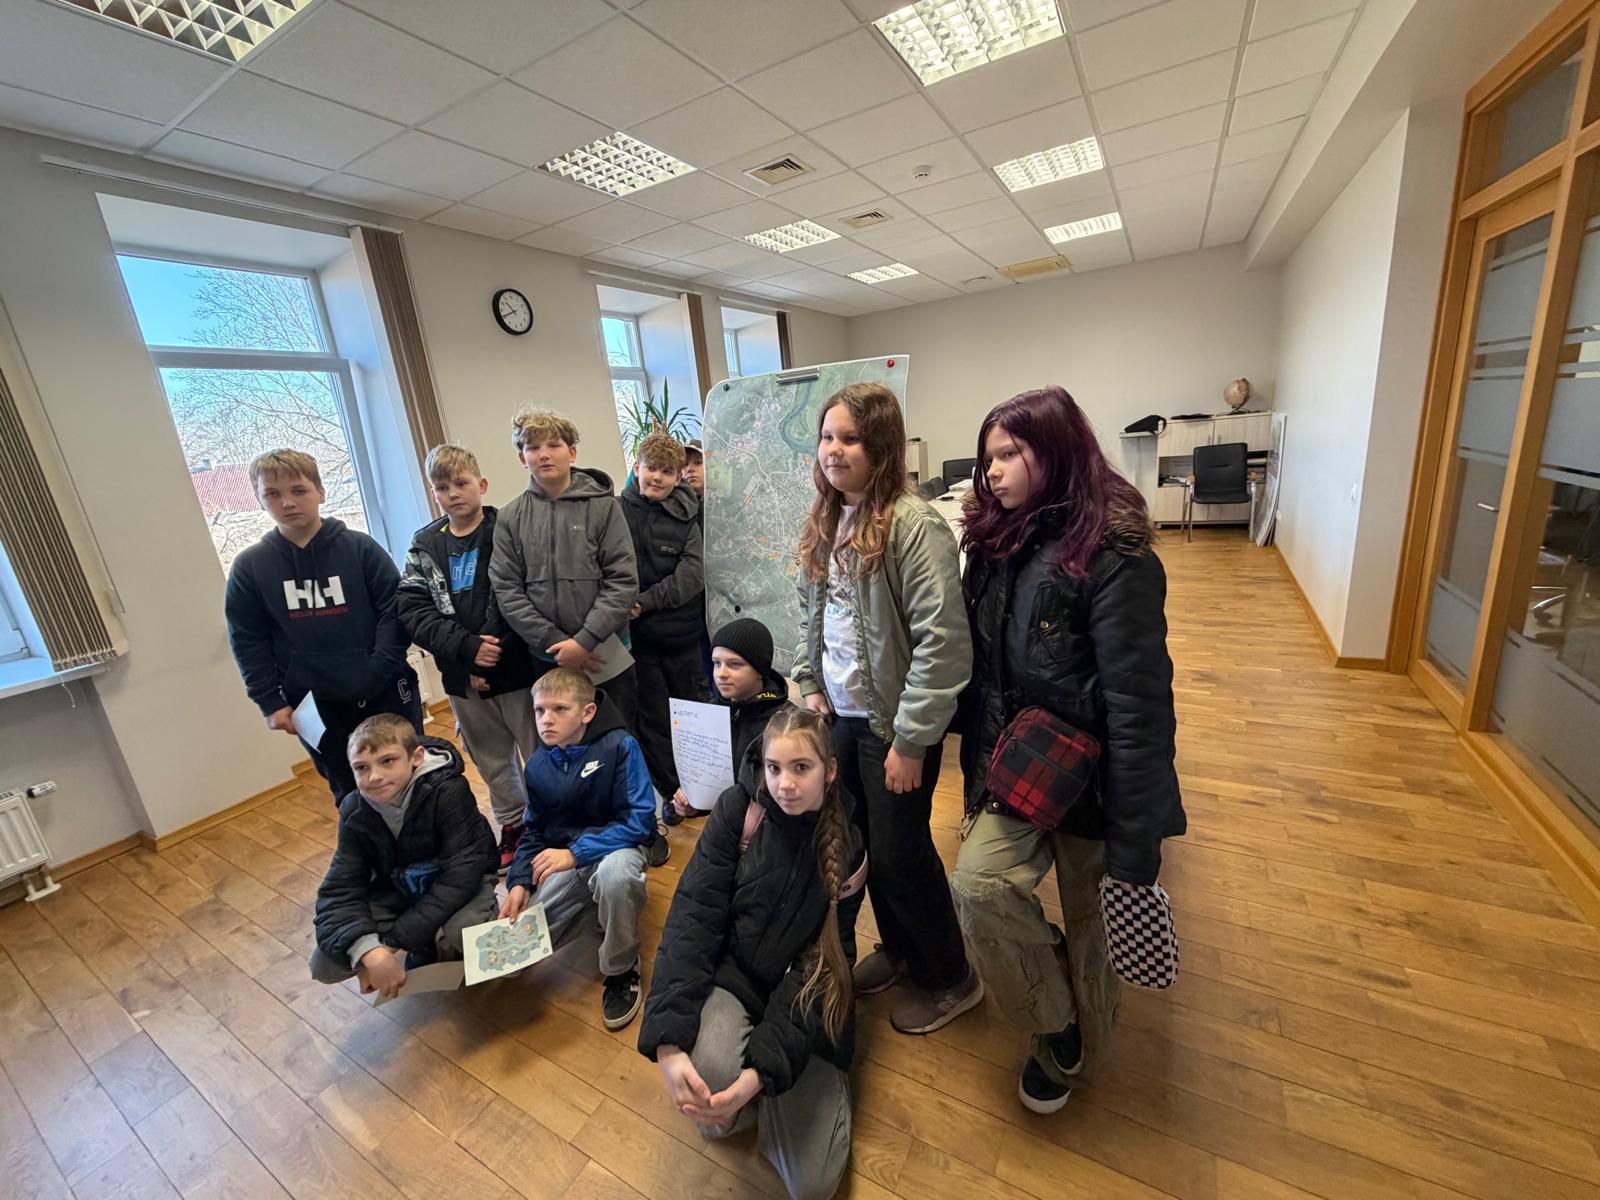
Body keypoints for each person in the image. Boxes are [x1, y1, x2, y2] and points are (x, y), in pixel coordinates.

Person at [949, 386, 1185, 1114]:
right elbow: (985, 680)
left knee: (1094, 925)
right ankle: (1053, 1020)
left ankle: (1082, 1034)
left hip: (1098, 784)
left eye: (1009, 454)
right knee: (979, 885)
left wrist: (1137, 845)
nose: (992, 471)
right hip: (1020, 769)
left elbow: (1140, 708)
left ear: (1054, 451)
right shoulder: (993, 544)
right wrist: (975, 779)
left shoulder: (1115, 555)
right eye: (987, 456)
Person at [792, 383, 979, 1036]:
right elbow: (811, 612)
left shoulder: (912, 524)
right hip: (839, 718)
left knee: (903, 856)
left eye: (850, 439)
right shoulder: (827, 517)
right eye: (827, 437)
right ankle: (902, 951)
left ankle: (952, 976)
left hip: (891, 727)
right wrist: (809, 679)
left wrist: (911, 740)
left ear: (881, 447)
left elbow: (943, 644)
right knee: (866, 845)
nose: (834, 450)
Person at [639, 708, 865, 1200]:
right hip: (737, 977)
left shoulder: (850, 845)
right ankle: (752, 1090)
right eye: (774, 768)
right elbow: (692, 919)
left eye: (801, 768)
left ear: (829, 770)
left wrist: (761, 1072)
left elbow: (824, 967)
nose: (785, 784)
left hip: (804, 997)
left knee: (813, 1185)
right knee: (709, 1095)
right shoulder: (737, 810)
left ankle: (775, 1088)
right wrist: (667, 1040)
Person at [224, 448, 421, 804]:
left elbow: (395, 613)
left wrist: (376, 670)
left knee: (412, 780)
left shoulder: (361, 549)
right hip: (315, 706)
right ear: (259, 499)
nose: (287, 502)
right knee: (350, 791)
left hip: (385, 691)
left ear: (320, 492)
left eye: (298, 490)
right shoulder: (250, 567)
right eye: (273, 494)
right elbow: (248, 640)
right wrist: (269, 702)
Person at [398, 444, 538, 871]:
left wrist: (493, 649)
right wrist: (467, 654)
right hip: (463, 678)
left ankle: (550, 819)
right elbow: (413, 611)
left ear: (482, 484)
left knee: (538, 752)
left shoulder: (507, 528)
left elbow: (524, 594)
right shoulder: (424, 545)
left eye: (461, 483)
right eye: (442, 487)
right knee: (492, 761)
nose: (453, 493)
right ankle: (513, 825)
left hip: (517, 670)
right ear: (434, 493)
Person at [501, 668, 652, 1030]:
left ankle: (621, 966)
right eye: (539, 710)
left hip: (619, 849)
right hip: (567, 861)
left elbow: (640, 820)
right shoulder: (537, 764)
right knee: (513, 955)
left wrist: (575, 853)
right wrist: (519, 881)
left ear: (587, 712)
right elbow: (534, 831)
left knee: (616, 878)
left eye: (559, 709)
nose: (546, 719)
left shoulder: (620, 746)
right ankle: (605, 913)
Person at [309, 714, 499, 997]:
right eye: (361, 767)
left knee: (465, 931)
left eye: (387, 761)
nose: (374, 776)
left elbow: (462, 874)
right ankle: (427, 943)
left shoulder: (449, 791)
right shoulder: (354, 810)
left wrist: (393, 943)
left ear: (416, 757)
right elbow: (339, 890)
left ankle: (441, 944)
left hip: (459, 885)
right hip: (401, 889)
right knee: (324, 965)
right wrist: (367, 951)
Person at [489, 407, 641, 728]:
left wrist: (585, 641)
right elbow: (507, 589)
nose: (544, 454)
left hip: (606, 653)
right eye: (533, 447)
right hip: (548, 656)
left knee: (617, 736)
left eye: (554, 445)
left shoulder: (605, 508)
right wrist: (556, 642)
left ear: (571, 452)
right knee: (560, 738)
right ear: (522, 458)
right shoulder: (509, 517)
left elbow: (622, 580)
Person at [620, 432, 708, 866]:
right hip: (639, 643)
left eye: (667, 471)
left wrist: (644, 602)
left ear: (678, 477)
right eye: (650, 468)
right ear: (637, 468)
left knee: (693, 715)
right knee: (653, 721)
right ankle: (672, 793)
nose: (656, 477)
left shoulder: (690, 515)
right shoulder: (616, 513)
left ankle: (701, 789)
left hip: (683, 635)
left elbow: (692, 576)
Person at [665, 617, 789, 826]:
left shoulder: (784, 722)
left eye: (735, 665)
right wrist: (693, 803)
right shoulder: (709, 713)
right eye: (716, 663)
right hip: (724, 826)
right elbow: (710, 786)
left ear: (759, 670)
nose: (721, 674)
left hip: (771, 827)